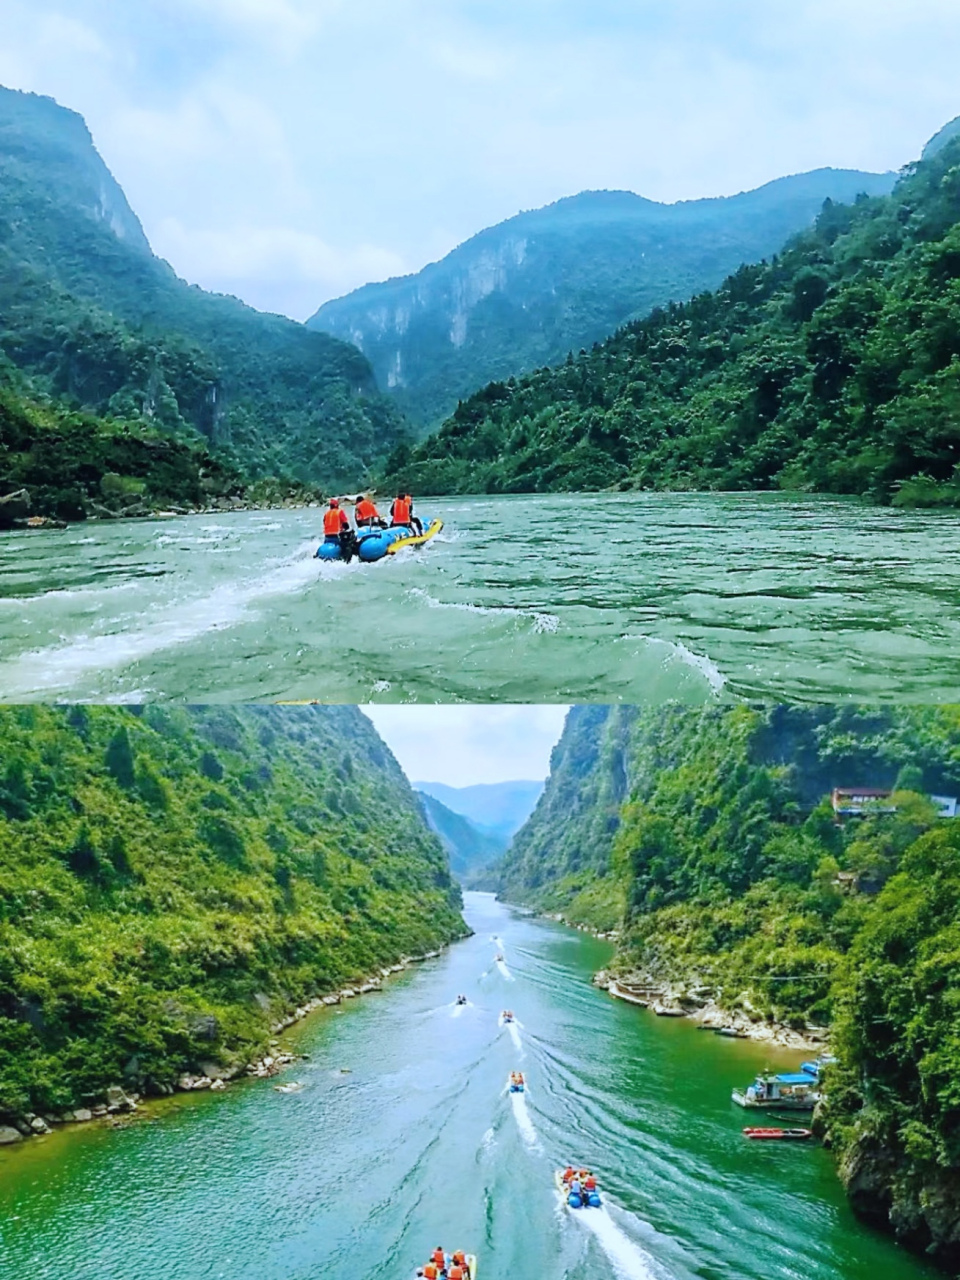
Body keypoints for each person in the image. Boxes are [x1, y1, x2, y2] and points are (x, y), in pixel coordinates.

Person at [321, 498, 357, 562]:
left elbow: (324, 522)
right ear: (337, 505)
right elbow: (346, 525)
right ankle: (347, 561)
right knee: (349, 546)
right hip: (337, 537)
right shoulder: (340, 512)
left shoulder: (327, 513)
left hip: (327, 538)